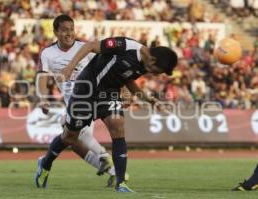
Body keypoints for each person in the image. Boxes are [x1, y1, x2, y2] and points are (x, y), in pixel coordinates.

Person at [36, 35, 178, 192]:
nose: (158, 75)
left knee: (118, 126)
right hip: (87, 90)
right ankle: (45, 164)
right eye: (159, 71)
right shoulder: (124, 45)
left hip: (109, 94)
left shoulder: (145, 65)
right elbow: (90, 46)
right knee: (70, 136)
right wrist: (70, 67)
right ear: (152, 60)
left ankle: (121, 183)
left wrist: (152, 101)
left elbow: (128, 79)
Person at [35, 15, 118, 188]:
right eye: (64, 30)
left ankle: (104, 158)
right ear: (56, 32)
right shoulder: (47, 53)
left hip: (93, 97)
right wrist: (43, 99)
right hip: (74, 103)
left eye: (71, 29)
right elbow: (42, 77)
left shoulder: (85, 48)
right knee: (72, 139)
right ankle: (111, 170)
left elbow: (109, 64)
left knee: (72, 131)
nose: (69, 33)